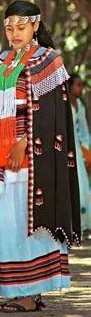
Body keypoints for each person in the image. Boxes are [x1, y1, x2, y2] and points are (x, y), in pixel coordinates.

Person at [0, 0, 81, 313]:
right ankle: (16, 289)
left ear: (35, 25)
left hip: (31, 157)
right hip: (0, 153)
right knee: (8, 222)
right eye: (9, 27)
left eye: (20, 26)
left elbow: (50, 114)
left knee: (29, 221)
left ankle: (30, 293)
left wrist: (25, 140)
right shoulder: (1, 61)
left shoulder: (49, 60)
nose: (14, 32)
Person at [68, 74, 91, 239]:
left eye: (81, 85)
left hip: (77, 148)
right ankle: (71, 225)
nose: (80, 88)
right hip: (66, 147)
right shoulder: (63, 101)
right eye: (77, 85)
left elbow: (83, 129)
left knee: (83, 184)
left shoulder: (80, 106)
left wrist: (86, 149)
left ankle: (84, 224)